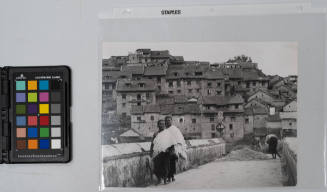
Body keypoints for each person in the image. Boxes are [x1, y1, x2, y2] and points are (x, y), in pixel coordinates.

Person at [164, 116, 187, 182]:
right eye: (167, 120)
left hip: (173, 148)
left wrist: (177, 147)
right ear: (165, 121)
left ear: (171, 121)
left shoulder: (174, 129)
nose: (168, 121)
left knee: (172, 163)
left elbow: (179, 138)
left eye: (169, 120)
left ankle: (172, 176)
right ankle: (168, 176)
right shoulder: (165, 129)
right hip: (166, 148)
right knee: (167, 163)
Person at [150, 120, 170, 184]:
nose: (162, 125)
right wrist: (151, 151)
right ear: (158, 125)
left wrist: (170, 150)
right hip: (157, 152)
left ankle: (164, 180)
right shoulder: (155, 134)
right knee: (157, 166)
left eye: (163, 124)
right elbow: (152, 143)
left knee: (165, 166)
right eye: (160, 124)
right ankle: (159, 179)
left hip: (166, 152)